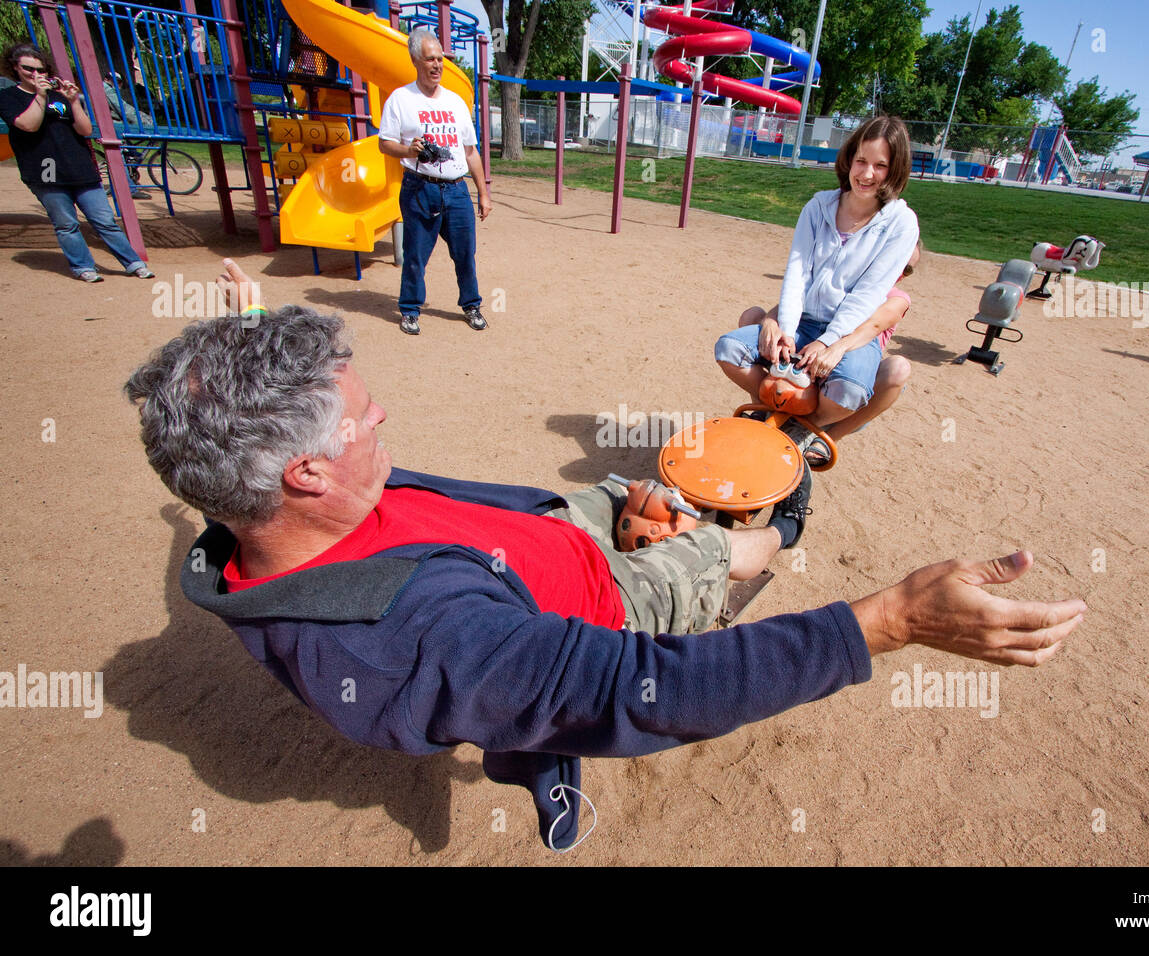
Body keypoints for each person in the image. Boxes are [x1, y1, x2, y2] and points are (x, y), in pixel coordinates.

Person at [124, 258, 1085, 850]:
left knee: (634, 522)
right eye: (365, 421)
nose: (384, 423)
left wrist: (252, 331)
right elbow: (644, 690)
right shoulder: (400, 646)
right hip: (601, 609)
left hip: (543, 537)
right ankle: (739, 566)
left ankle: (547, 730)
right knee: (752, 538)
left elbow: (277, 438)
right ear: (303, 474)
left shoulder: (264, 506)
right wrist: (892, 619)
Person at [716, 115, 918, 437]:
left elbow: (869, 292)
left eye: (880, 166)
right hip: (806, 319)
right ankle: (773, 407)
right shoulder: (819, 207)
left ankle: (805, 429)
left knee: (850, 390)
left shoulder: (901, 223)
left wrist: (829, 342)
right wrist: (789, 332)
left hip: (847, 333)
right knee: (728, 349)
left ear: (894, 170)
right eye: (861, 160)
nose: (866, 174)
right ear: (849, 158)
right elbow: (798, 274)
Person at [733, 241, 922, 445]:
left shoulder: (896, 298)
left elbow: (872, 326)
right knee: (753, 317)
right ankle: (762, 406)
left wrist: (831, 348)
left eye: (907, 269)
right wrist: (770, 323)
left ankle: (822, 437)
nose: (900, 271)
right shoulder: (844, 276)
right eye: (897, 258)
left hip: (839, 390)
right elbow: (789, 306)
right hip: (800, 368)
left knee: (898, 368)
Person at [0, 43, 153, 283]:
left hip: (79, 166)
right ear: (15, 67)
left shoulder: (59, 96)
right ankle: (83, 266)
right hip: (45, 170)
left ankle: (133, 263)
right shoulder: (9, 96)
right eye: (29, 69)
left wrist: (73, 102)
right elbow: (28, 125)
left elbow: (84, 129)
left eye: (41, 70)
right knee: (66, 223)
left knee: (105, 220)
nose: (36, 75)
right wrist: (40, 95)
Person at [377, 28, 490, 335]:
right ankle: (410, 309)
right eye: (430, 59)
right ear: (416, 60)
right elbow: (384, 143)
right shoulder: (400, 100)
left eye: (440, 59)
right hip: (419, 188)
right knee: (415, 253)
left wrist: (483, 192)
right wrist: (408, 149)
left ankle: (471, 305)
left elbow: (470, 150)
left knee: (466, 253)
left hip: (456, 189)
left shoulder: (455, 103)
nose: (437, 65)